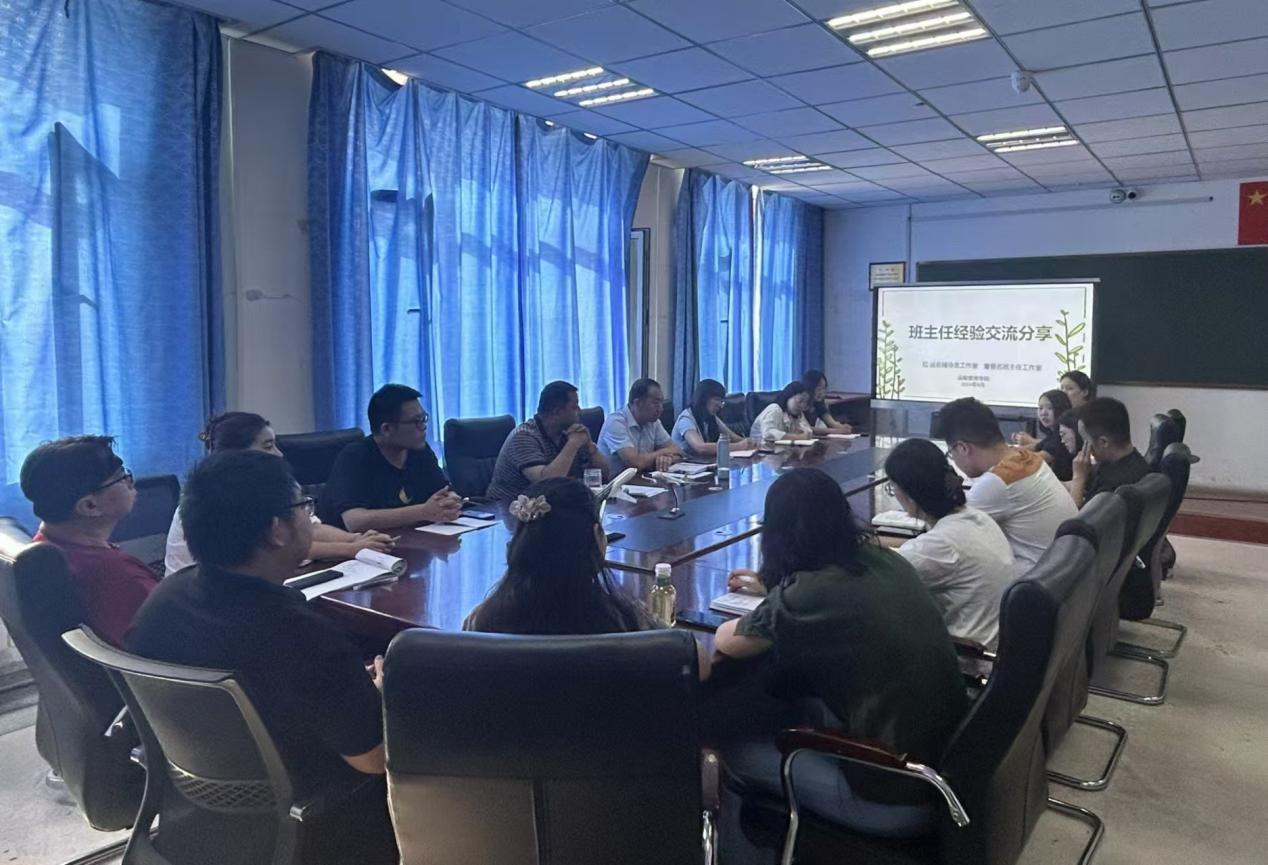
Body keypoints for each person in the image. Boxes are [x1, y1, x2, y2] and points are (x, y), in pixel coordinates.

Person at [127, 450, 394, 863]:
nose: (309, 516)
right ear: (276, 530)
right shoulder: (302, 636)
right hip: (317, 821)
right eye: (304, 506)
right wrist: (381, 688)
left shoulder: (164, 599)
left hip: (199, 816)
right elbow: (373, 759)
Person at [714, 468, 967, 847]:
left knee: (729, 751)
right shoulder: (884, 559)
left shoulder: (809, 594)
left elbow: (728, 642)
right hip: (944, 766)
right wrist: (774, 590)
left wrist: (778, 596)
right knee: (792, 701)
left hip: (893, 792)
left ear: (777, 534)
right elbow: (833, 597)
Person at [465, 477, 711, 675]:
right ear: (597, 538)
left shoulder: (481, 621)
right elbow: (695, 660)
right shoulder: (623, 618)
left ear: (519, 545)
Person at [165, 412, 393, 574]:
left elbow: (309, 527)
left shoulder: (274, 482)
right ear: (237, 454)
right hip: (201, 599)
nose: (279, 454)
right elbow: (280, 546)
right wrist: (351, 549)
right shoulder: (216, 498)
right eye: (268, 446)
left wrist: (355, 538)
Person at [19, 436, 158, 647]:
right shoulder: (115, 576)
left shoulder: (45, 547)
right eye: (120, 477)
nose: (130, 482)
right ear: (89, 506)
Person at [883, 439, 1014, 650]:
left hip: (970, 658)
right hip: (1001, 648)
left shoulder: (938, 546)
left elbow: (877, 585)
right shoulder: (977, 517)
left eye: (892, 487)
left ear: (909, 495)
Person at [936, 397, 1077, 574]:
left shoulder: (998, 482)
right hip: (1065, 574)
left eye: (951, 453)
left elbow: (946, 542)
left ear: (963, 448)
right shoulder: (1027, 457)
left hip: (1038, 581)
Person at [317, 384, 462, 531]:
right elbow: (355, 521)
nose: (423, 427)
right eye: (416, 421)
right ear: (386, 429)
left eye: (424, 419)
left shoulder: (420, 451)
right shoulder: (355, 457)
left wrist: (450, 500)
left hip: (409, 538)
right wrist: (423, 512)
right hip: (353, 544)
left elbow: (442, 492)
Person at [486, 381, 607, 503]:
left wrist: (590, 447)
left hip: (552, 505)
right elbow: (546, 484)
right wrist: (572, 445)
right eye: (574, 407)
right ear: (556, 412)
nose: (580, 412)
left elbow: (606, 476)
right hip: (506, 507)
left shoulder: (569, 433)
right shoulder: (524, 436)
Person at [1069, 396, 1151, 508]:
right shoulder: (1134, 462)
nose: (1085, 448)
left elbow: (1074, 517)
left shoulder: (1112, 489)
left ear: (1103, 442)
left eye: (1086, 442)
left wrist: (1078, 478)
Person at [598, 378, 683, 473]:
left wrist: (668, 459)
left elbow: (678, 452)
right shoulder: (615, 422)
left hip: (643, 479)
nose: (661, 409)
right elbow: (636, 463)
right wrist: (664, 452)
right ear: (638, 403)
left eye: (661, 403)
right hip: (616, 481)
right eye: (655, 403)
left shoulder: (653, 422)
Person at [671, 379, 753, 459]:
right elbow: (701, 448)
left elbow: (734, 438)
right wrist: (739, 446)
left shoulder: (711, 417)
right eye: (717, 400)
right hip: (685, 464)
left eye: (722, 401)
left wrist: (751, 443)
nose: (720, 405)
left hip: (704, 462)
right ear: (703, 399)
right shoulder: (686, 419)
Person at [1013, 389, 1075, 481]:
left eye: (1049, 408)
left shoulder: (1060, 437)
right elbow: (1035, 447)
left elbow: (1034, 459)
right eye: (1040, 408)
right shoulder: (1052, 434)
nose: (1043, 413)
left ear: (1061, 409)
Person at [750, 381, 820, 443]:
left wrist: (805, 433)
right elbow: (768, 434)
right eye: (800, 401)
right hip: (759, 450)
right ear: (789, 395)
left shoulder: (798, 414)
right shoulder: (774, 409)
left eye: (806, 403)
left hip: (780, 450)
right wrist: (799, 437)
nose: (802, 405)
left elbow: (808, 431)